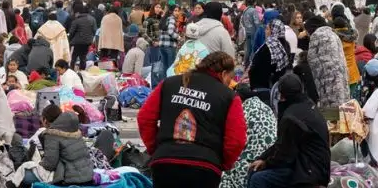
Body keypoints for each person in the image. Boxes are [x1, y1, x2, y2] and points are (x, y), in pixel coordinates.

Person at [137, 51, 246, 188]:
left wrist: (157, 148)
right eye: (230, 79)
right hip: (205, 166)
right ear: (224, 74)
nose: (229, 84)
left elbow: (144, 118)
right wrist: (223, 162)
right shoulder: (229, 97)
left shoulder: (169, 84)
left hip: (165, 161)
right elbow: (236, 140)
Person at [246, 73, 330, 188]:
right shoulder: (308, 104)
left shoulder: (291, 117)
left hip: (308, 172)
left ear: (281, 95)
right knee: (256, 170)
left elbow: (284, 155)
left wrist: (265, 163)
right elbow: (281, 144)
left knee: (257, 179)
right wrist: (262, 158)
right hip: (315, 167)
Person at [220, 85, 277, 188]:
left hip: (253, 162)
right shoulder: (266, 107)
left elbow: (236, 141)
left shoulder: (244, 111)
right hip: (270, 160)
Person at [38, 104, 94, 186]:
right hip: (88, 175)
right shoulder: (73, 128)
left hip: (70, 180)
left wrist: (39, 163)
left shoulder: (51, 134)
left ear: (45, 120)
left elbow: (50, 164)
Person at [305, 15, 351, 109]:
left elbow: (311, 58)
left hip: (327, 77)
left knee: (330, 107)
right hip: (340, 74)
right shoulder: (333, 34)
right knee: (342, 104)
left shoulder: (316, 35)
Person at [67, 4, 96, 70]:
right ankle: (82, 71)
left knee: (73, 58)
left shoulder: (76, 21)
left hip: (76, 43)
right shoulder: (90, 20)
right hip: (87, 42)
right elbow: (94, 31)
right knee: (83, 57)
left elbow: (71, 32)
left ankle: (71, 70)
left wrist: (69, 41)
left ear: (78, 13)